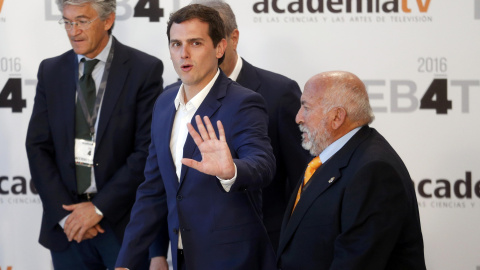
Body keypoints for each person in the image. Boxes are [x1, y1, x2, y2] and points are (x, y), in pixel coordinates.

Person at [115, 4, 277, 270]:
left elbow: (263, 164)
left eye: (196, 43)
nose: (184, 53)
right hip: (183, 255)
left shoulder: (243, 102)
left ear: (220, 47)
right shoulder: (164, 102)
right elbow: (152, 190)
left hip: (234, 260)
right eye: (176, 44)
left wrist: (231, 170)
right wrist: (127, 260)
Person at [25, 0, 163, 269]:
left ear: (108, 20)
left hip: (121, 224)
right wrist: (68, 216)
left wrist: (99, 208)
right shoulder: (51, 71)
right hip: (68, 227)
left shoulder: (143, 69)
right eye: (67, 21)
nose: (73, 31)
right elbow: (38, 146)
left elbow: (146, 151)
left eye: (82, 21)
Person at [185, 0, 311, 251]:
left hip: (264, 243)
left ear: (232, 39)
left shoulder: (279, 92)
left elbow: (303, 176)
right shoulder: (174, 98)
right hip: (196, 246)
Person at [276, 71, 426, 269]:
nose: (298, 118)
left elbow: (357, 261)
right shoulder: (332, 156)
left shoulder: (374, 171)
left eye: (306, 107)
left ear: (337, 117)